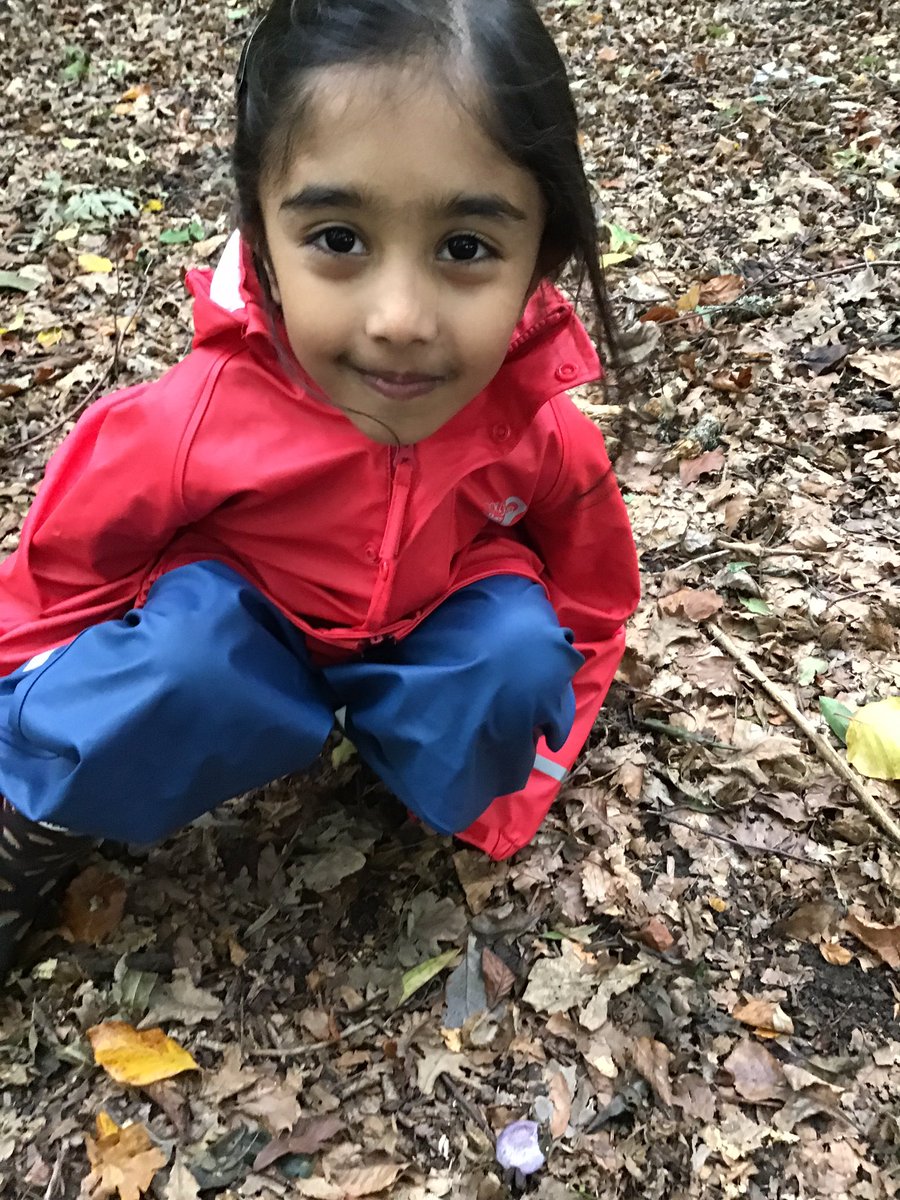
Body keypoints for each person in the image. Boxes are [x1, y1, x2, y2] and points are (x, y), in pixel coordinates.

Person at [0, 0, 640, 977]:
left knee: (514, 651)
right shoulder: (192, 419)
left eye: (466, 248)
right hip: (251, 641)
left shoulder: (538, 432)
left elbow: (592, 600)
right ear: (260, 233)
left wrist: (528, 773)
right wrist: (46, 744)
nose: (398, 318)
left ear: (539, 260)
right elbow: (61, 578)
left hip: (433, 630)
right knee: (182, 661)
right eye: (338, 238)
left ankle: (410, 763)